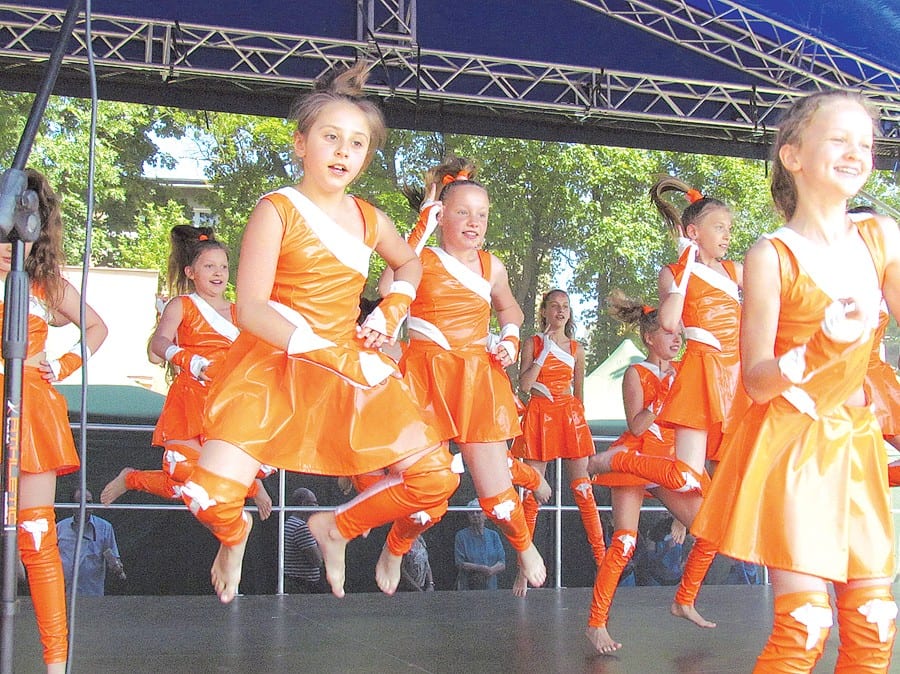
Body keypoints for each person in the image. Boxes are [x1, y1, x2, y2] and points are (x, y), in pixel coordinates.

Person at [178, 61, 459, 603]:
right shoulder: (277, 209)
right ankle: (234, 538)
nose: (342, 151)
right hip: (273, 362)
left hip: (346, 363)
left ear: (365, 157)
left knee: (435, 479)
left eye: (356, 143)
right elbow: (250, 309)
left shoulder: (370, 218)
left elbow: (410, 264)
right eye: (331, 137)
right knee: (209, 499)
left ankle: (336, 527)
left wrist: (392, 308)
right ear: (301, 143)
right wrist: (322, 351)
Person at [693, 90, 900, 672]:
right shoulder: (771, 254)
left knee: (875, 622)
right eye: (839, 139)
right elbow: (757, 382)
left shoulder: (882, 236)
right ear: (793, 156)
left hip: (856, 441)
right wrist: (814, 350)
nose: (856, 153)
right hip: (795, 442)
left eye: (866, 144)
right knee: (805, 625)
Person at [380, 156, 547, 594]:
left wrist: (510, 338)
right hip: (425, 377)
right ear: (441, 216)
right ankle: (396, 545)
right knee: (427, 494)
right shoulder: (421, 257)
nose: (474, 222)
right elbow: (386, 289)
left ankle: (524, 546)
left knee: (497, 497)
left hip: (476, 379)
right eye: (462, 212)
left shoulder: (493, 266)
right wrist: (419, 228)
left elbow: (510, 309)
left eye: (482, 215)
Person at [100, 226, 273, 519]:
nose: (218, 273)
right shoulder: (182, 305)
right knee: (182, 472)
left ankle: (134, 479)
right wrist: (188, 359)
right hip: (189, 400)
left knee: (198, 486)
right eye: (209, 266)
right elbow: (158, 344)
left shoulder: (239, 311)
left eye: (223, 267)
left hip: (227, 405)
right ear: (190, 272)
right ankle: (131, 478)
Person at [8, 169, 108, 673]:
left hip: (31, 409)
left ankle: (55, 662)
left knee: (36, 537)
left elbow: (97, 326)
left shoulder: (44, 283)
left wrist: (66, 364)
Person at [587, 290, 713, 654]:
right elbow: (638, 425)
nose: (676, 339)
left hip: (670, 463)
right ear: (649, 337)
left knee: (710, 531)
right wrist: (662, 399)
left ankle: (684, 599)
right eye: (668, 332)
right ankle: (596, 624)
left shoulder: (683, 371)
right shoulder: (635, 373)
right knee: (624, 543)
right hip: (640, 455)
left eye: (678, 333)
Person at [512, 288, 604, 596]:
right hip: (540, 415)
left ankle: (603, 561)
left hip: (569, 416)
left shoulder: (577, 348)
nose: (560, 311)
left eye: (565, 306)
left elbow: (580, 393)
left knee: (584, 491)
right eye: (554, 306)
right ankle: (524, 568)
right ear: (544, 311)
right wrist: (544, 352)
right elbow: (525, 385)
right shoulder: (533, 343)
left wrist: (586, 438)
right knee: (532, 494)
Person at [56, 489, 126, 597]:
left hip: (92, 596)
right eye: (82, 502)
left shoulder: (104, 528)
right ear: (73, 506)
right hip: (64, 595)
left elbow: (115, 560)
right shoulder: (60, 528)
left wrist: (117, 567)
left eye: (89, 502)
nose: (87, 506)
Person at [454, 500, 506, 590]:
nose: (475, 515)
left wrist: (491, 571)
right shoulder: (461, 536)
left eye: (478, 512)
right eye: (471, 512)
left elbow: (502, 563)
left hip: (490, 588)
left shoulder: (493, 535)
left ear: (485, 515)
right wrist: (481, 568)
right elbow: (460, 563)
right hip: (468, 588)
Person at [283, 487, 325, 594]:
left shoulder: (290, 522)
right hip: (301, 586)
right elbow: (317, 561)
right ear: (304, 504)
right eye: (314, 503)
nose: (317, 507)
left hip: (293, 583)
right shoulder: (302, 528)